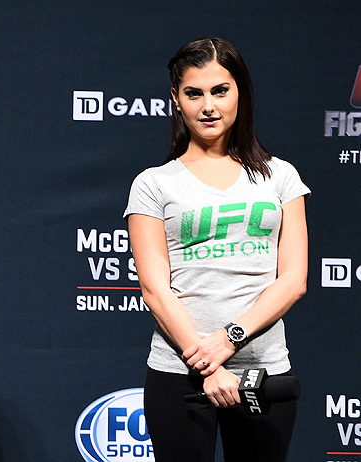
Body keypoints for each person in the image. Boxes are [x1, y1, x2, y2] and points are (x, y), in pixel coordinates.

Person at [124, 37, 309, 462]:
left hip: (264, 373)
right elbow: (155, 290)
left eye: (220, 90)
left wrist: (228, 340)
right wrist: (207, 364)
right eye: (194, 93)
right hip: (180, 376)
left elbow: (294, 280)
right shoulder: (153, 184)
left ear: (240, 92)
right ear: (176, 99)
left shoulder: (281, 177)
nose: (208, 105)